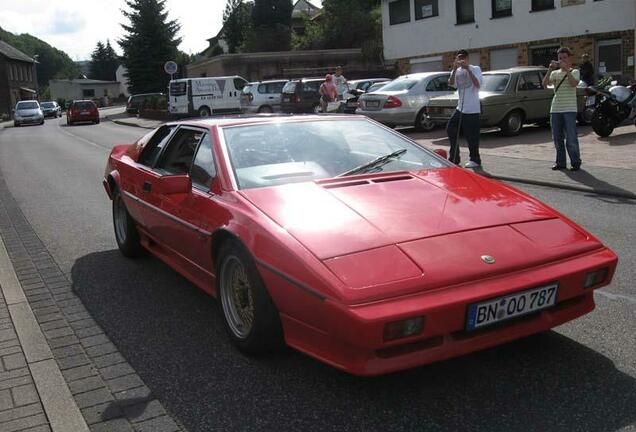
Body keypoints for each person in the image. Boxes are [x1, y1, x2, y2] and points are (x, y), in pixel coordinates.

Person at [542, 47, 582, 171]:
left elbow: (574, 84)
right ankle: (560, 162)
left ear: (569, 58)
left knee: (571, 137)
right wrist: (549, 69)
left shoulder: (575, 71)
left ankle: (575, 162)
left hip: (569, 109)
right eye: (560, 58)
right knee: (557, 137)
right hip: (555, 109)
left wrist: (567, 71)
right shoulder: (554, 73)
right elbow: (544, 85)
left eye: (565, 58)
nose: (562, 60)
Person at [446, 49, 483, 168]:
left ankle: (475, 160)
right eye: (458, 58)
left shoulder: (475, 69)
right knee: (451, 128)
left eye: (463, 58)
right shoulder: (457, 71)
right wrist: (454, 69)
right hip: (460, 108)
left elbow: (477, 85)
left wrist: (468, 70)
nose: (461, 60)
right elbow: (451, 84)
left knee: (472, 136)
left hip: (472, 108)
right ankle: (454, 157)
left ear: (467, 59)